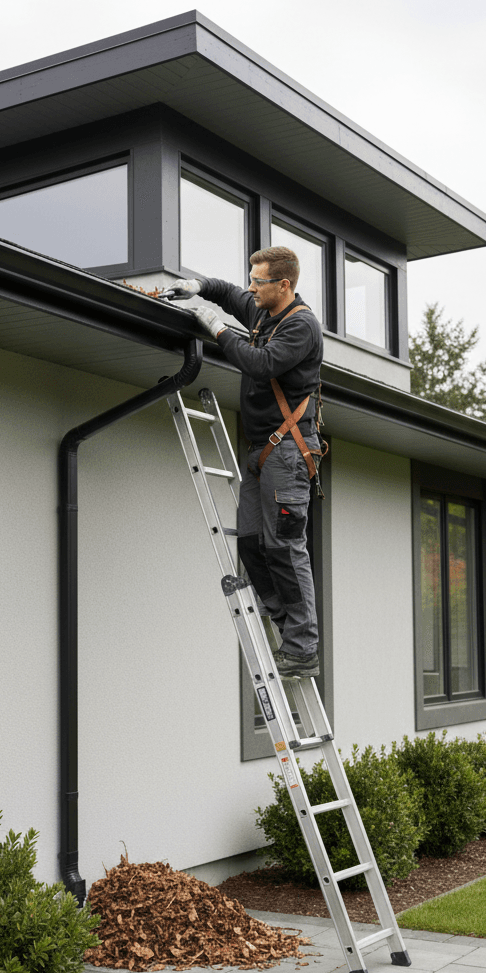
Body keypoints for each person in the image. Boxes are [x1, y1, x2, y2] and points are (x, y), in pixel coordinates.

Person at [169, 246, 324, 680]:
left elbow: (260, 363)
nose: (250, 288)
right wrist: (197, 287)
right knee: (253, 545)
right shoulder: (262, 311)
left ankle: (303, 648)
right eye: (251, 280)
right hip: (262, 451)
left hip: (288, 452)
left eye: (258, 281)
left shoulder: (301, 326)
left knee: (285, 548)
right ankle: (287, 627)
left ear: (283, 285)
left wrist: (217, 329)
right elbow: (224, 291)